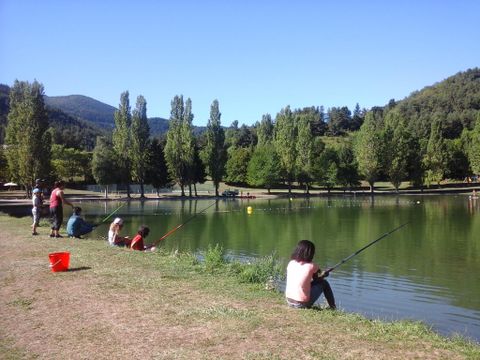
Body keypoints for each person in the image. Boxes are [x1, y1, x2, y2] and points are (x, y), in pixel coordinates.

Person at [285, 240, 336, 309]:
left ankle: (332, 307)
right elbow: (318, 279)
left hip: (289, 301)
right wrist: (325, 274)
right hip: (301, 305)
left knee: (309, 284)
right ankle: (333, 307)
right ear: (310, 253)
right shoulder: (311, 266)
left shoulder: (291, 263)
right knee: (324, 283)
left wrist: (321, 275)